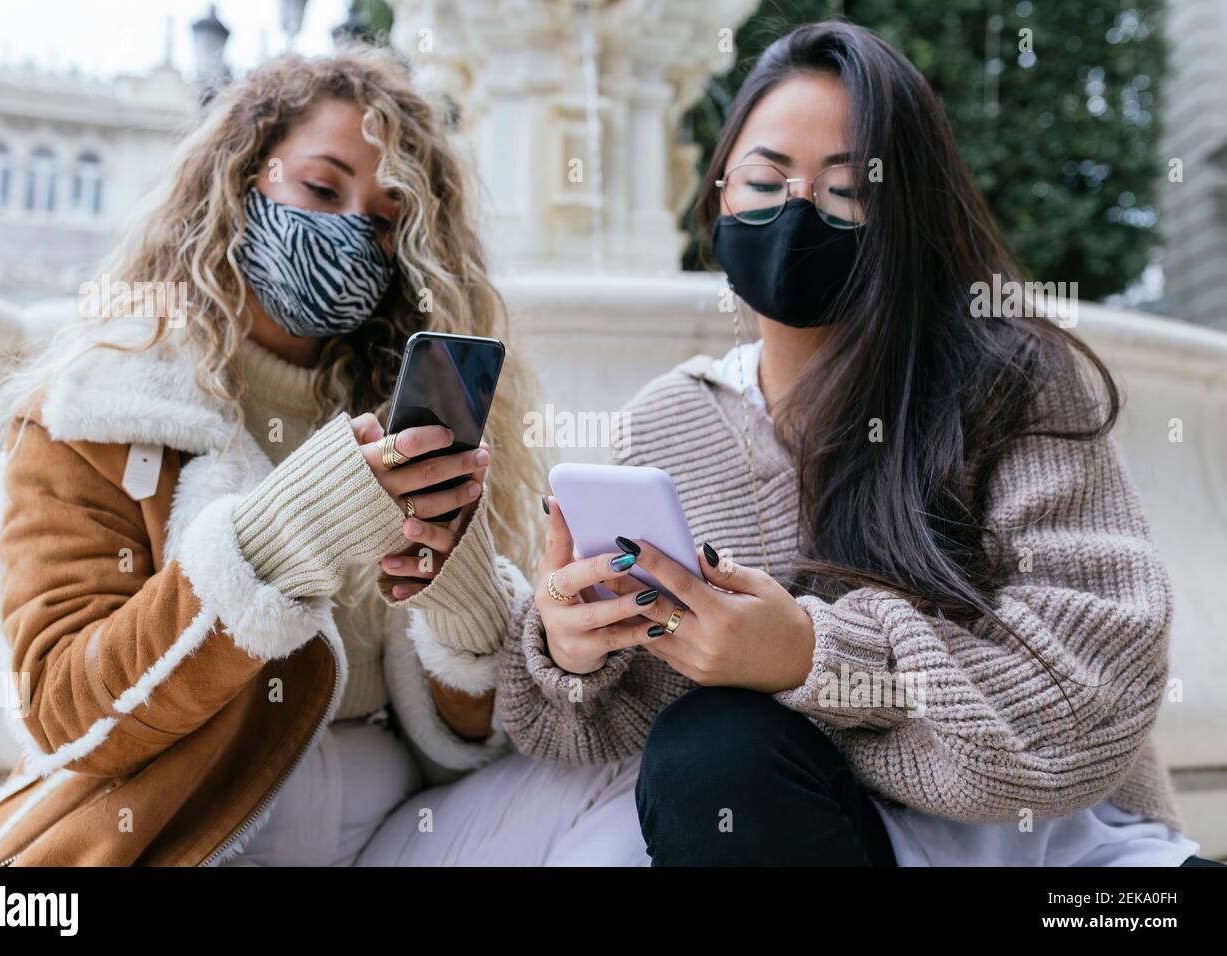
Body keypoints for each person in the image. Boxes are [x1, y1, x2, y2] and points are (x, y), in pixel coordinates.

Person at [496, 21, 1216, 867]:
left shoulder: (1008, 378)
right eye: (766, 181)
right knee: (711, 746)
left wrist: (812, 652)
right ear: (717, 194)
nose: (796, 216)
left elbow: (1096, 675)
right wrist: (573, 653)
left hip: (1061, 856)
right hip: (822, 835)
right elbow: (598, 733)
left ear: (908, 214)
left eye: (847, 192)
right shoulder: (667, 422)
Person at [0, 46, 573, 867]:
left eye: (388, 217)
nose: (353, 229)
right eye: (322, 189)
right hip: (192, 818)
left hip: (393, 821)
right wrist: (279, 541)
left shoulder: (401, 405)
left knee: (622, 783)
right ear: (240, 184)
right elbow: (64, 713)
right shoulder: (98, 407)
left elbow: (470, 741)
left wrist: (457, 601)